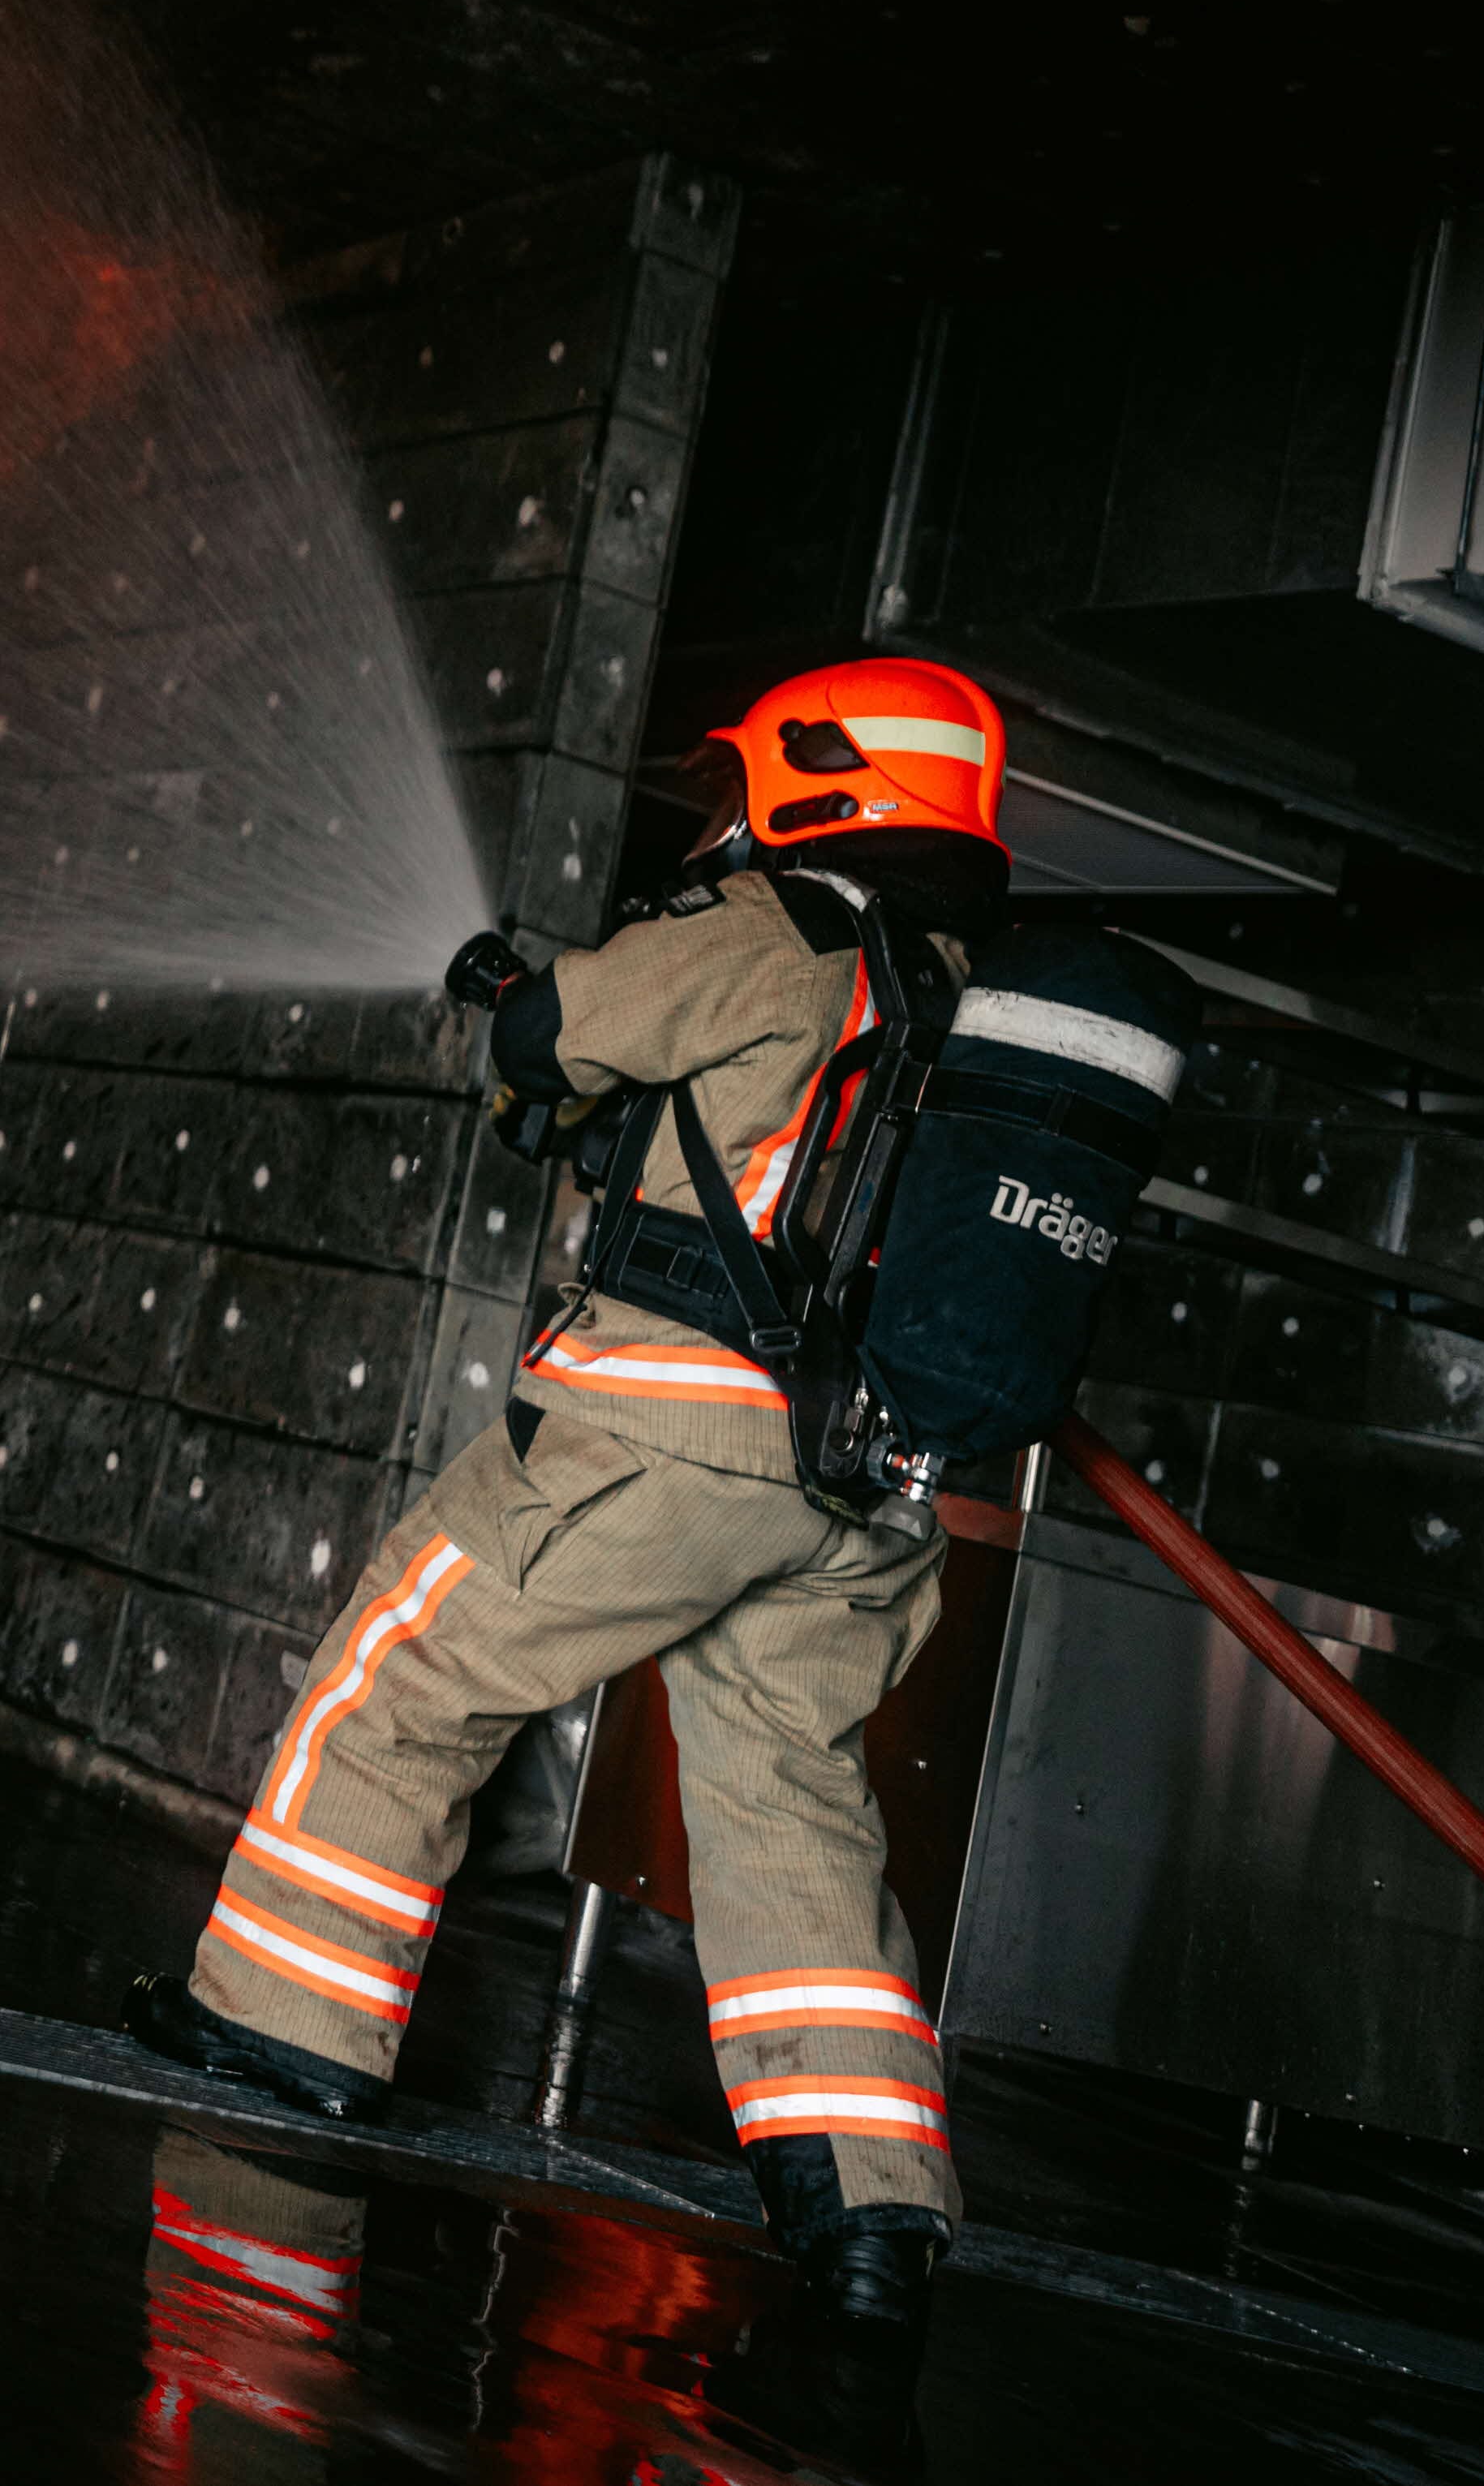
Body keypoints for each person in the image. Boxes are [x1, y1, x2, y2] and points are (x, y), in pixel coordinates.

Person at [124, 656, 1017, 2373]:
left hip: (662, 1443)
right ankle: (867, 2208)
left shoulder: (764, 929)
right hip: (863, 1494)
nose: (730, 809)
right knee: (788, 1809)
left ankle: (280, 2026)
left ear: (817, 784)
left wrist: (519, 990)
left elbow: (549, 1040)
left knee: (405, 1667)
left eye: (751, 781)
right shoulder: (968, 996)